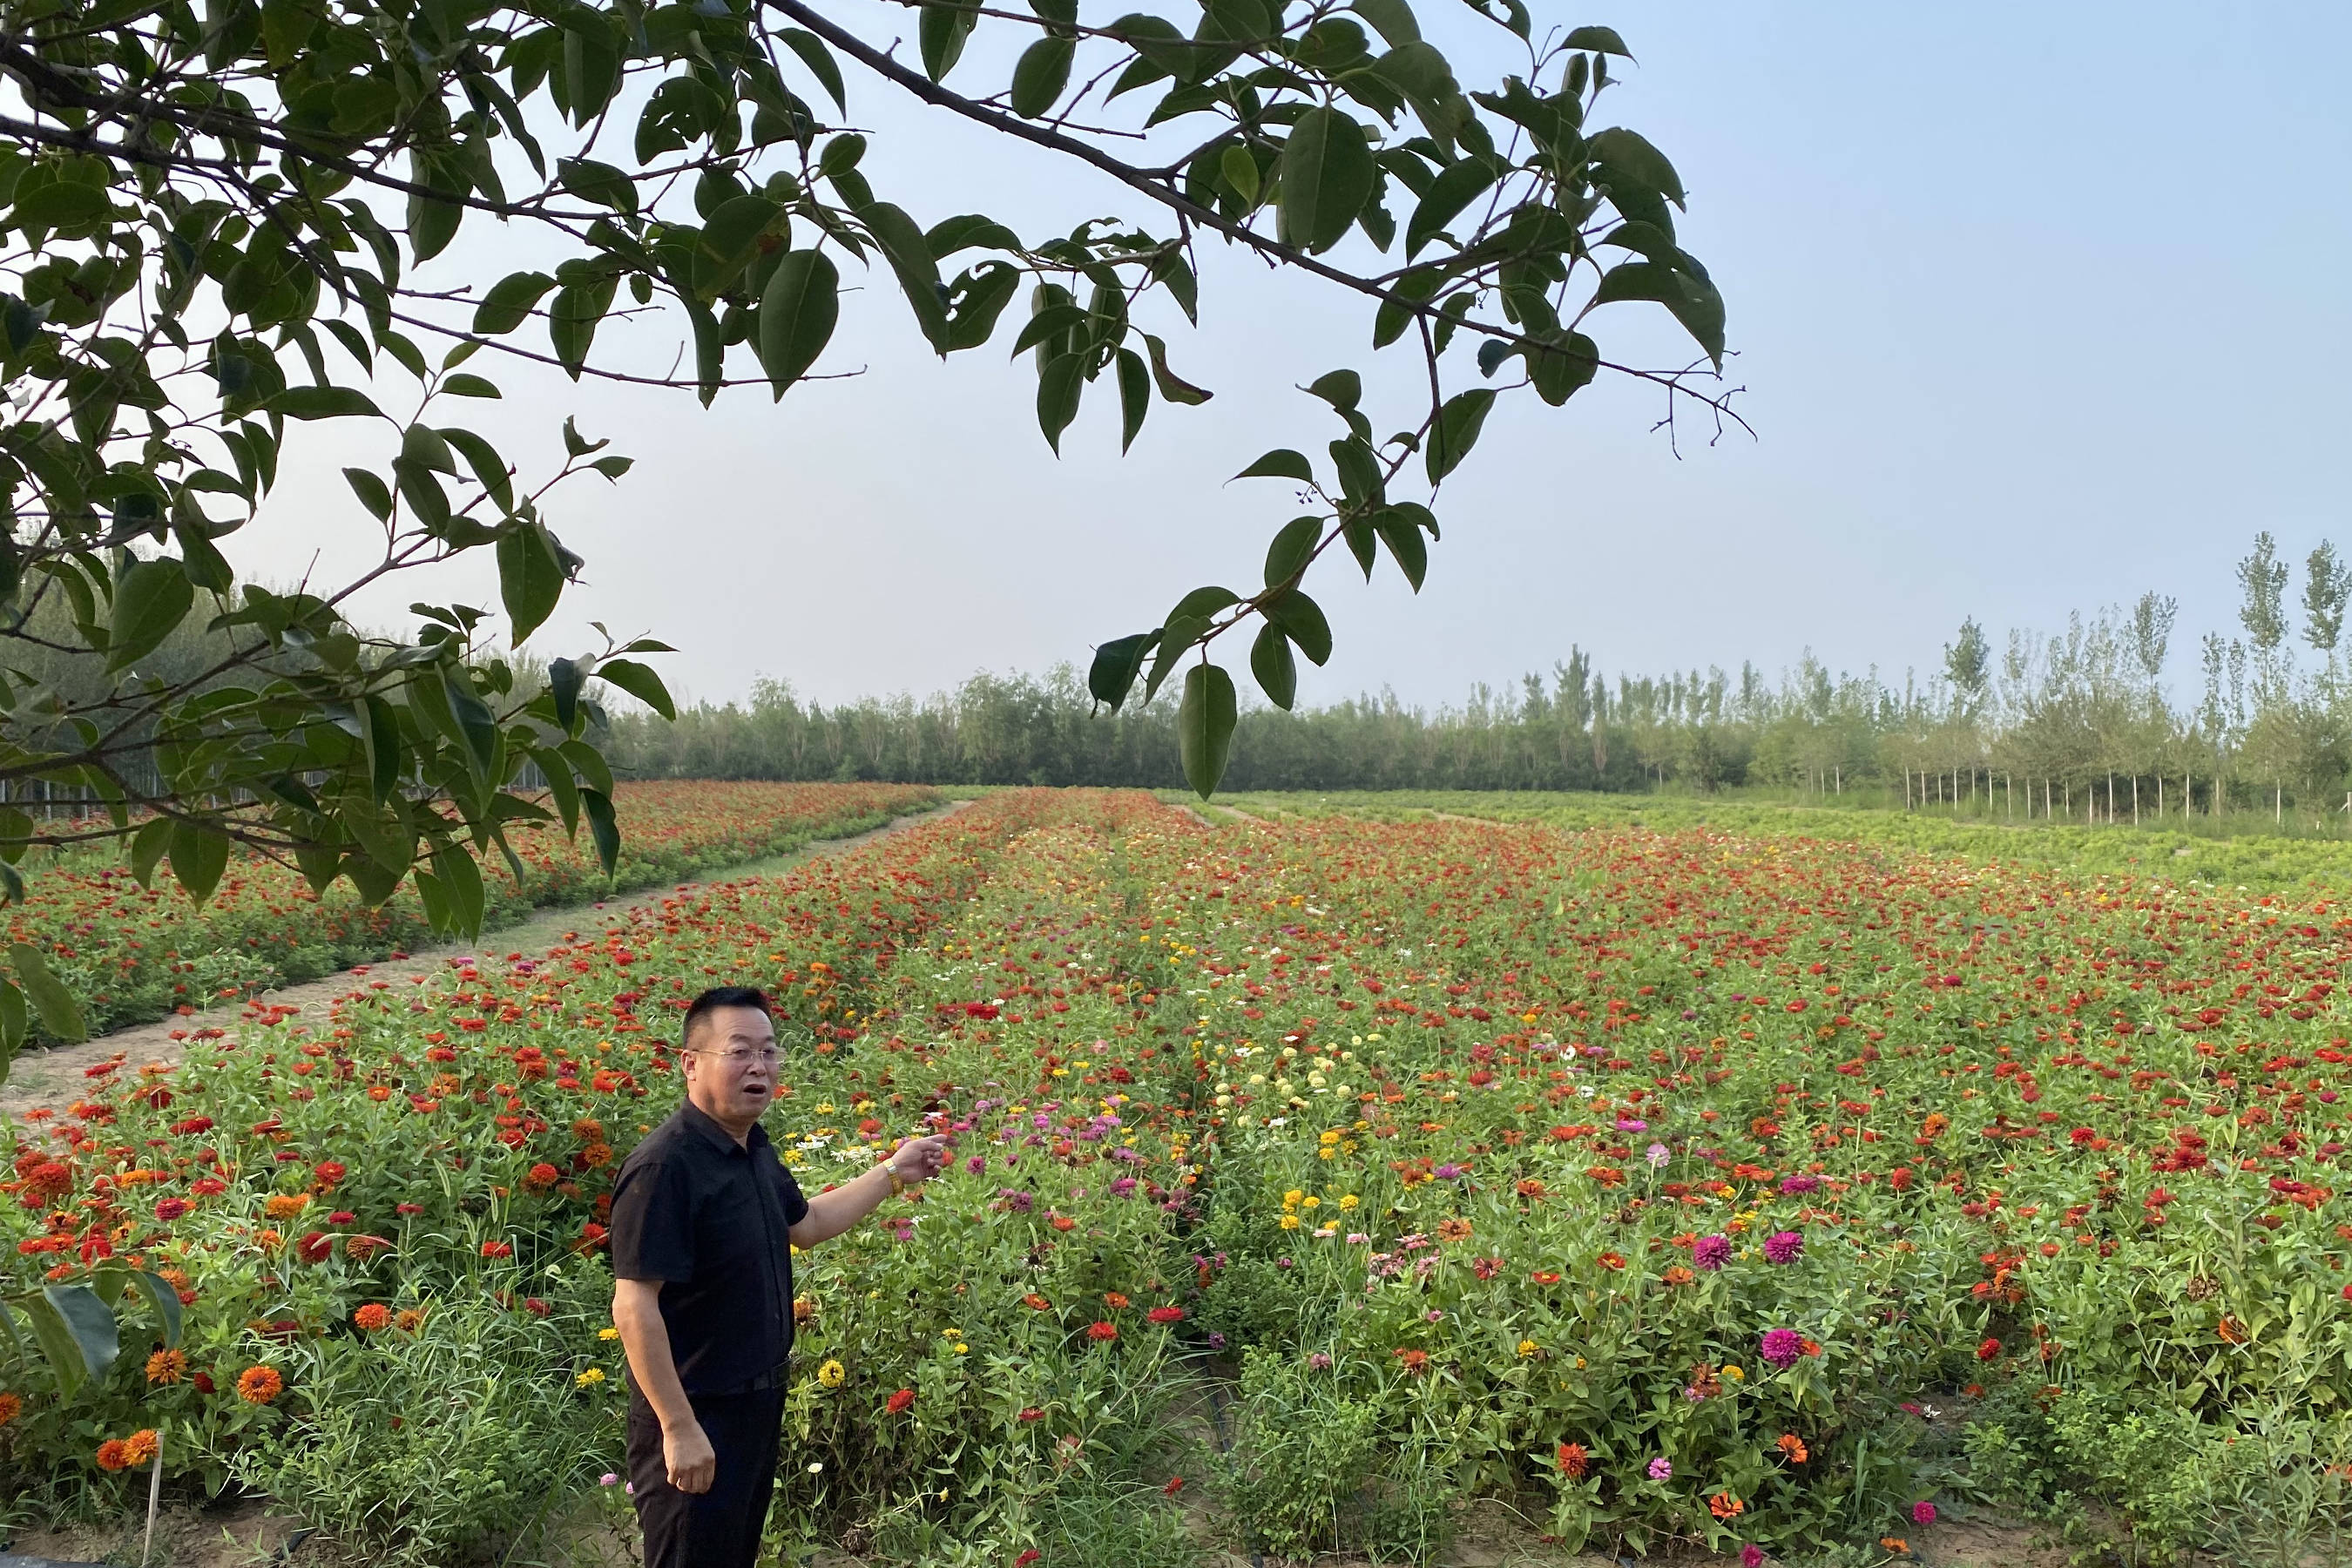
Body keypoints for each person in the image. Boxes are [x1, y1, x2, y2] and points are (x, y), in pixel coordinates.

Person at [608, 985, 950, 1568]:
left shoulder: (750, 1149)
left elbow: (808, 1224)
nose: (759, 1066)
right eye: (739, 1051)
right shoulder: (667, 1166)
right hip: (698, 1410)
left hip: (755, 1405)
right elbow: (633, 1305)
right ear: (690, 1064)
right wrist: (679, 1426)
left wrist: (894, 1171)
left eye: (769, 1052)